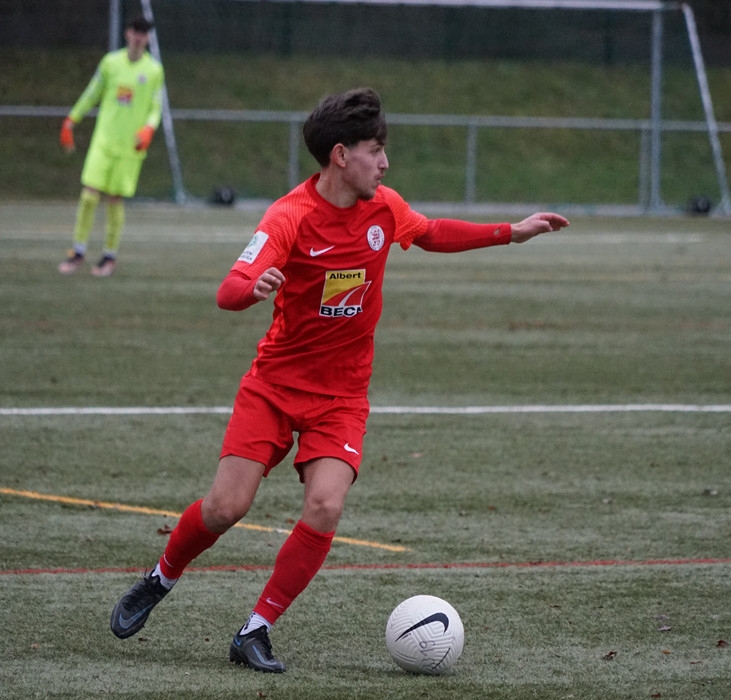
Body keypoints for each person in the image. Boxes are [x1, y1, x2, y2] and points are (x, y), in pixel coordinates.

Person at [109, 87, 570, 672]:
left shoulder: (385, 208)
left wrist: (511, 231)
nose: (385, 163)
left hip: (342, 396)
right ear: (340, 155)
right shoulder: (289, 216)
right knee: (226, 507)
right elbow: (228, 289)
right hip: (275, 387)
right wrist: (251, 289)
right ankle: (161, 577)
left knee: (325, 507)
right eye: (375, 151)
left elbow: (431, 232)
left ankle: (255, 630)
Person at [57, 16, 164, 277]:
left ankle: (109, 256)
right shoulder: (110, 63)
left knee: (114, 200)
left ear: (147, 38)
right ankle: (77, 252)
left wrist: (149, 128)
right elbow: (92, 92)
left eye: (143, 33)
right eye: (135, 31)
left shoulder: (153, 71)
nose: (138, 37)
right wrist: (72, 119)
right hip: (104, 141)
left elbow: (156, 107)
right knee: (89, 195)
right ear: (127, 33)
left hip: (130, 148)